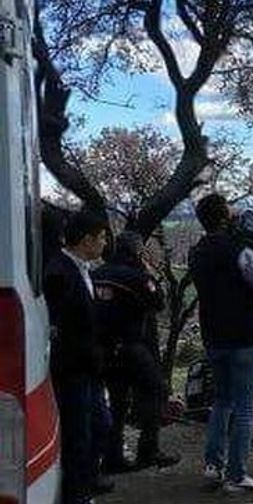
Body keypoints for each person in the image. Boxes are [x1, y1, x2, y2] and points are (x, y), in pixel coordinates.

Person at [189, 194, 253, 493]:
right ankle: (237, 475)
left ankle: (213, 465)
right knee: (247, 406)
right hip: (245, 339)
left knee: (221, 402)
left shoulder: (197, 252)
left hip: (214, 338)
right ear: (224, 216)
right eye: (230, 208)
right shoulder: (240, 250)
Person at [92, 231, 180, 473]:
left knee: (117, 402)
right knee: (156, 390)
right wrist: (149, 272)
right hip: (131, 345)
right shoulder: (135, 276)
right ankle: (148, 450)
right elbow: (158, 302)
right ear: (136, 251)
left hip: (104, 348)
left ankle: (113, 456)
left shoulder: (96, 274)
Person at [44, 211, 111, 504]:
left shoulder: (81, 268)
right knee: (77, 436)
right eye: (102, 238)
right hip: (71, 370)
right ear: (87, 240)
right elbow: (58, 326)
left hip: (88, 368)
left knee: (99, 425)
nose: (105, 244)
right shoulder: (59, 273)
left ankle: (84, 486)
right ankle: (75, 496)